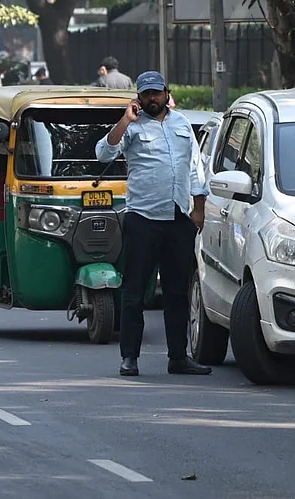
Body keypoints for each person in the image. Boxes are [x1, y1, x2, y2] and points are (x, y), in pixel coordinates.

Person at [95, 70, 212, 378]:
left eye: (156, 93)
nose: (151, 99)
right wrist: (125, 121)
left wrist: (198, 208)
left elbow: (195, 168)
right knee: (134, 292)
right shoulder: (132, 127)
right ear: (138, 97)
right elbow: (103, 152)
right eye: (145, 94)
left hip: (178, 218)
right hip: (143, 218)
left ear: (166, 93)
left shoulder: (182, 124)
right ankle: (129, 358)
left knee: (177, 292)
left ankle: (178, 357)